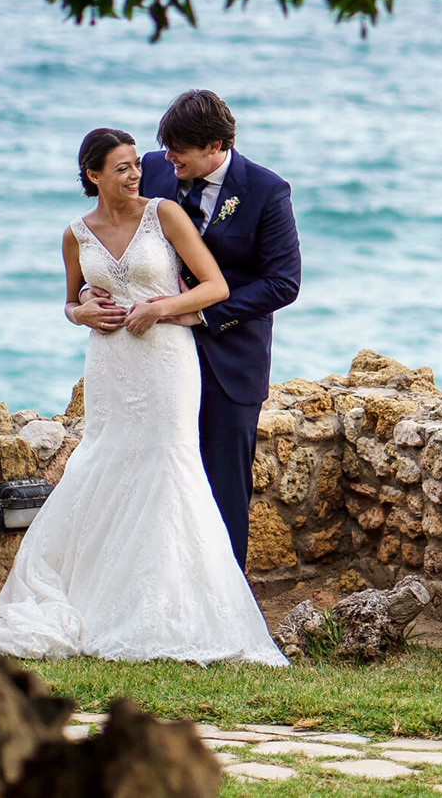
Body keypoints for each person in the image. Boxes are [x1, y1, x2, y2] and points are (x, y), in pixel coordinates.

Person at [0, 128, 285, 663]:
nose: (136, 174)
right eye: (123, 168)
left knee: (169, 466)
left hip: (167, 359)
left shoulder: (164, 214)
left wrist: (161, 308)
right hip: (110, 363)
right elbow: (68, 302)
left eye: (136, 164)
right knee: (106, 464)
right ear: (94, 175)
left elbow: (216, 287)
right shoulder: (75, 234)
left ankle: (177, 606)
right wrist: (81, 311)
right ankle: (103, 597)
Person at [85, 90, 301, 570]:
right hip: (153, 356)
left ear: (217, 146)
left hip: (230, 357)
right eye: (166, 146)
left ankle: (226, 602)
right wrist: (86, 296)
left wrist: (199, 313)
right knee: (152, 473)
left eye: (180, 150)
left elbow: (283, 283)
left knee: (224, 484)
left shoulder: (267, 191)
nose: (168, 158)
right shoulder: (155, 169)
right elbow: (103, 237)